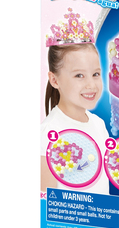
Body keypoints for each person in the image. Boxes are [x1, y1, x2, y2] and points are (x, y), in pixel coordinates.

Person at [41, 42, 110, 194]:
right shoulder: (48, 134)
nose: (91, 85)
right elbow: (45, 202)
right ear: (55, 80)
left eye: (95, 74)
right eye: (79, 75)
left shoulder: (99, 124)